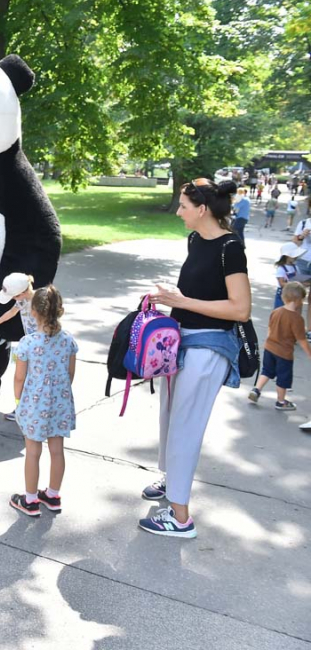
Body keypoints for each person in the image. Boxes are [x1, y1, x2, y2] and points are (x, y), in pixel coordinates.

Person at [141, 178, 249, 539]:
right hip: (180, 343)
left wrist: (182, 301)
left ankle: (181, 517)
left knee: (186, 426)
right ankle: (171, 480)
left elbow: (240, 309)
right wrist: (171, 297)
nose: (178, 212)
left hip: (208, 349)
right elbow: (197, 291)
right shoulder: (195, 240)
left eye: (184, 206)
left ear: (202, 210)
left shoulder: (231, 247)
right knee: (169, 417)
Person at [8, 286, 77, 517]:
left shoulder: (27, 343)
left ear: (33, 312)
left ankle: (30, 500)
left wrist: (18, 400)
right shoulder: (68, 341)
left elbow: (19, 377)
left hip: (34, 404)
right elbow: (70, 374)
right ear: (60, 310)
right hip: (60, 402)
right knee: (57, 450)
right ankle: (53, 495)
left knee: (33, 451)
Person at [248, 282, 311, 411]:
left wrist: (268, 342)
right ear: (299, 300)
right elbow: (302, 340)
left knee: (267, 371)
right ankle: (281, 401)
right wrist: (309, 354)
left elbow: (270, 329)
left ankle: (256, 389)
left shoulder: (276, 312)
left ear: (284, 297)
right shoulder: (297, 319)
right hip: (284, 353)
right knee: (283, 378)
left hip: (270, 348)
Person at [0, 273, 37, 422]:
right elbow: (11, 312)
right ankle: (21, 408)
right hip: (27, 344)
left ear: (23, 292)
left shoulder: (39, 301)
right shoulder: (22, 300)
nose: (14, 300)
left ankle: (29, 410)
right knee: (21, 378)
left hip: (38, 347)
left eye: (14, 297)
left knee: (30, 379)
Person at [273, 243, 305, 308]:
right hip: (283, 293)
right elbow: (281, 283)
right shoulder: (281, 269)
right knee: (281, 309)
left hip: (294, 293)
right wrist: (293, 285)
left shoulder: (295, 267)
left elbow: (299, 277)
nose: (296, 257)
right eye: (294, 256)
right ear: (287, 256)